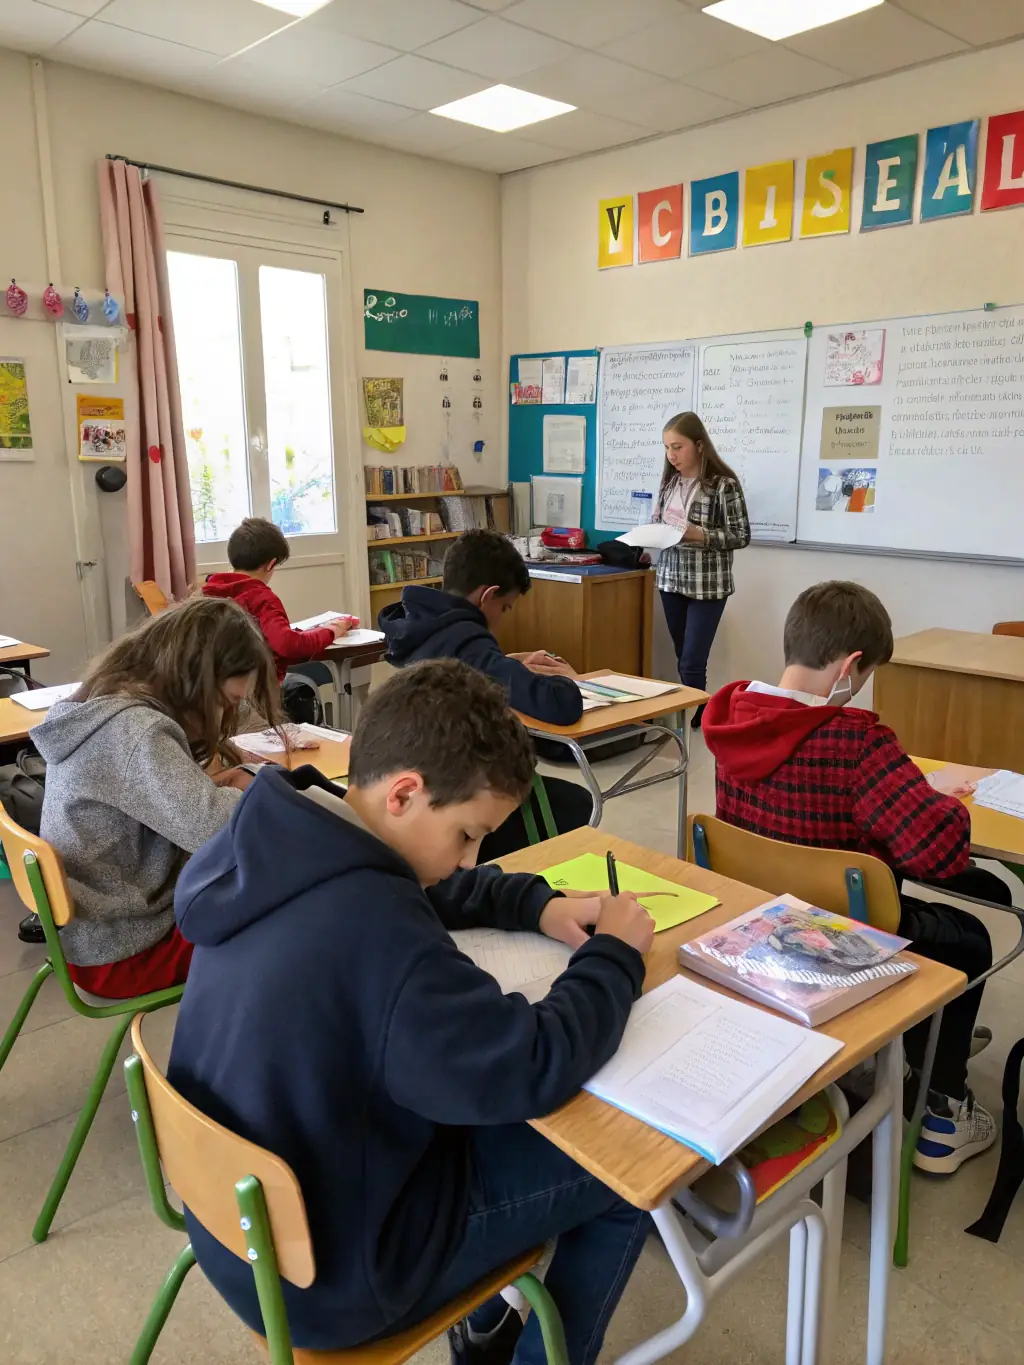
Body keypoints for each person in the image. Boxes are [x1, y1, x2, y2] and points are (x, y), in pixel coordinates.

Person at [167, 660, 654, 1362]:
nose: (469, 859)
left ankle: (488, 1322)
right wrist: (616, 957)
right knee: (625, 1166)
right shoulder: (379, 935)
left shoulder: (276, 839)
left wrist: (534, 902)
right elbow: (531, 1063)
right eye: (468, 834)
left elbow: (414, 881)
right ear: (404, 793)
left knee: (466, 1105)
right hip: (335, 1277)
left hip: (234, 1230)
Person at [702, 580, 1006, 1174]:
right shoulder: (855, 742)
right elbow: (937, 853)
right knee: (970, 935)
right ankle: (943, 1115)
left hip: (760, 923)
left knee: (947, 901)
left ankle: (920, 1039)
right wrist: (929, 795)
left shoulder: (732, 714)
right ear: (850, 666)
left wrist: (904, 790)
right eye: (863, 680)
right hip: (836, 938)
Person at [31, 597, 281, 998]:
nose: (223, 717)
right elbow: (215, 832)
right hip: (126, 952)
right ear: (194, 682)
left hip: (94, 935)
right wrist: (266, 793)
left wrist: (214, 789)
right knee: (291, 915)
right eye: (225, 703)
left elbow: (161, 804)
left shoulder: (106, 705)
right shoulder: (136, 731)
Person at [380, 529, 592, 859]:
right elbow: (562, 706)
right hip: (460, 790)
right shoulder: (468, 640)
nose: (502, 619)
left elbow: (464, 668)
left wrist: (509, 663)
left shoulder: (422, 625)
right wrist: (568, 678)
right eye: (505, 607)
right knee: (581, 804)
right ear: (487, 596)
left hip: (421, 782)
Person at [652, 413, 750, 728]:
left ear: (698, 444)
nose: (671, 455)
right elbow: (662, 524)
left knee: (693, 657)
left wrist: (700, 534)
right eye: (667, 448)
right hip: (670, 579)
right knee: (683, 655)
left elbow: (741, 535)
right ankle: (694, 711)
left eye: (677, 447)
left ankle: (696, 717)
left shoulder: (723, 485)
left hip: (707, 584)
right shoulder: (670, 482)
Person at [204, 517, 353, 685]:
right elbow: (287, 645)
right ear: (271, 564)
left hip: (214, 688)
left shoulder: (209, 591)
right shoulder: (262, 599)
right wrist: (331, 631)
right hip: (257, 690)